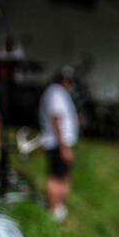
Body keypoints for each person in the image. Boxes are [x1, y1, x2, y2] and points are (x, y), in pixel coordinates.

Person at [38, 67, 79, 221]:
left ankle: (59, 209)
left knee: (64, 175)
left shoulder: (57, 93)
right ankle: (54, 209)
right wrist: (63, 146)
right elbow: (56, 117)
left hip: (60, 142)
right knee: (57, 176)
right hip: (57, 143)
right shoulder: (55, 92)